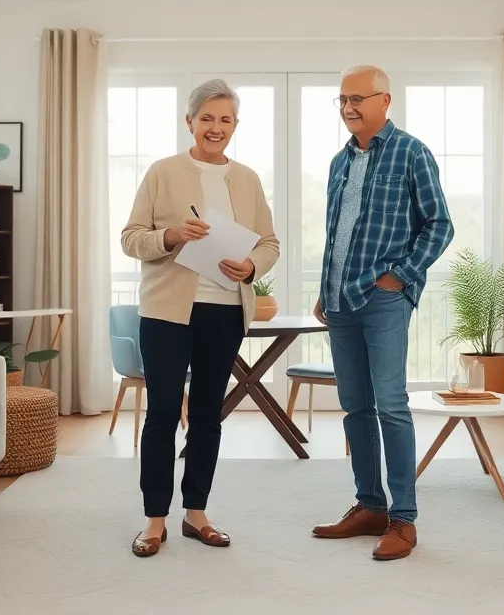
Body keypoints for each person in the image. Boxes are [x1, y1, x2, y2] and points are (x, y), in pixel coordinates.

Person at [120, 79, 280, 558]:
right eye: (206, 118)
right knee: (164, 413)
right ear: (189, 121)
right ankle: (153, 521)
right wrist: (169, 236)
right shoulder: (163, 172)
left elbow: (269, 243)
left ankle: (196, 514)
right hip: (167, 311)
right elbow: (131, 238)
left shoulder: (247, 179)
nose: (216, 127)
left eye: (225, 119)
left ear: (235, 125)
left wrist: (252, 266)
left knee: (208, 417)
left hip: (225, 309)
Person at [310, 65, 454, 561]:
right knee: (355, 406)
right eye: (342, 100)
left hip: (385, 298)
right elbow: (336, 234)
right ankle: (369, 505)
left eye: (358, 98)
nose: (349, 107)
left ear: (384, 100)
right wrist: (324, 287)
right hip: (340, 299)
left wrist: (401, 275)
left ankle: (404, 519)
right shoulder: (338, 163)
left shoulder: (412, 152)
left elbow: (439, 225)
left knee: (391, 404)